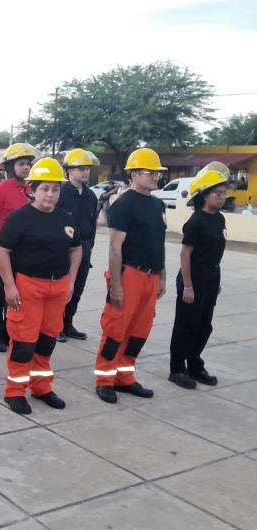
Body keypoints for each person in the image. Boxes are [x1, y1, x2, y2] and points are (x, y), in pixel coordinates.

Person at [0, 158, 82, 414]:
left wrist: (72, 281)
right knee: (23, 343)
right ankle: (15, 391)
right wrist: (9, 287)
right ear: (32, 189)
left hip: (58, 287)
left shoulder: (65, 217)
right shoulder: (20, 218)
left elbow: (76, 250)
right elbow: (1, 251)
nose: (50, 195)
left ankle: (42, 387)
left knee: (47, 341)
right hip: (28, 287)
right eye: (45, 189)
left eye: (55, 189)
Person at [94, 148, 167, 404]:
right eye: (150, 172)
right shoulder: (124, 204)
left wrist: (163, 276)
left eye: (157, 172)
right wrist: (116, 284)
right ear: (134, 174)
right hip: (129, 275)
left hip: (151, 276)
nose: (155, 177)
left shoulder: (157, 205)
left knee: (139, 330)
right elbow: (115, 247)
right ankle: (104, 379)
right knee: (116, 329)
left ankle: (124, 377)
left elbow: (159, 242)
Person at [167, 166, 228, 389]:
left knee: (204, 325)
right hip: (193, 276)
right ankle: (177, 368)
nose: (222, 197)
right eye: (217, 193)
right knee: (186, 324)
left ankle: (194, 364)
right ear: (204, 196)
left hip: (211, 275)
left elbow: (214, 251)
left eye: (224, 193)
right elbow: (186, 255)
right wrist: (188, 286)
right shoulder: (196, 221)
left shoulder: (219, 219)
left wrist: (216, 279)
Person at [0, 143, 38, 352]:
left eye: (28, 164)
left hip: (23, 253)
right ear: (9, 167)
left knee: (18, 293)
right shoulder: (0, 190)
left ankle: (11, 331)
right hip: (1, 250)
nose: (26, 168)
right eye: (21, 164)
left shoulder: (31, 190)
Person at [55, 149, 101, 342]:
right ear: (69, 170)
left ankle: (68, 322)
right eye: (80, 168)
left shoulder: (91, 195)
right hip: (63, 248)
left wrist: (89, 245)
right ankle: (56, 326)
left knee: (78, 287)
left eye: (87, 169)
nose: (85, 172)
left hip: (84, 247)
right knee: (62, 288)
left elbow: (92, 222)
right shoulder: (61, 193)